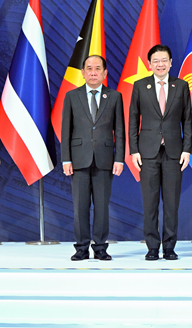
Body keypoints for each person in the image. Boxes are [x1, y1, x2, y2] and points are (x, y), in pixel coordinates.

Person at [129, 44, 192, 261]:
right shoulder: (140, 86)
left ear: (171, 62)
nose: (160, 64)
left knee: (172, 203)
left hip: (174, 152)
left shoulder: (181, 86)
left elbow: (187, 120)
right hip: (147, 152)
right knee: (150, 203)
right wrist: (134, 150)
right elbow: (132, 119)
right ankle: (153, 247)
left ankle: (170, 247)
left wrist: (187, 149)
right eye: (156, 61)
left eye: (164, 60)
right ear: (149, 64)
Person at [60, 55, 124, 261]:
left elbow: (120, 130)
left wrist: (119, 158)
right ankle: (81, 248)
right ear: (83, 72)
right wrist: (66, 159)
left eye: (98, 68)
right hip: (78, 159)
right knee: (80, 207)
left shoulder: (114, 96)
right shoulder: (72, 96)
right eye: (89, 68)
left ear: (105, 73)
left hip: (105, 159)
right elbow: (65, 130)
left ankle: (100, 248)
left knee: (102, 207)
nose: (93, 72)